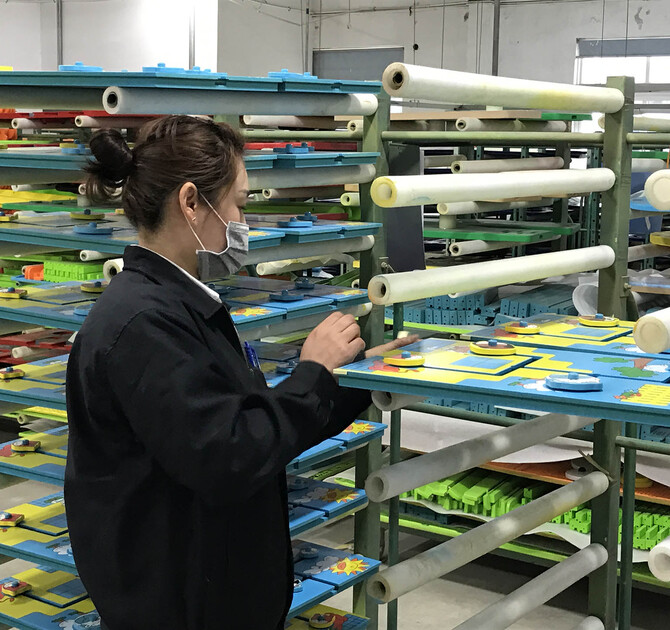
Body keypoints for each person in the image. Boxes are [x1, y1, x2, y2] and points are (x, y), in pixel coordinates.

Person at [64, 116, 414, 630]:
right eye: (240, 204)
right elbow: (230, 455)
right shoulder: (143, 324)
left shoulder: (177, 305)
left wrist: (369, 377)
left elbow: (253, 424)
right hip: (178, 608)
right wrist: (313, 369)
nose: (243, 223)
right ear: (190, 202)